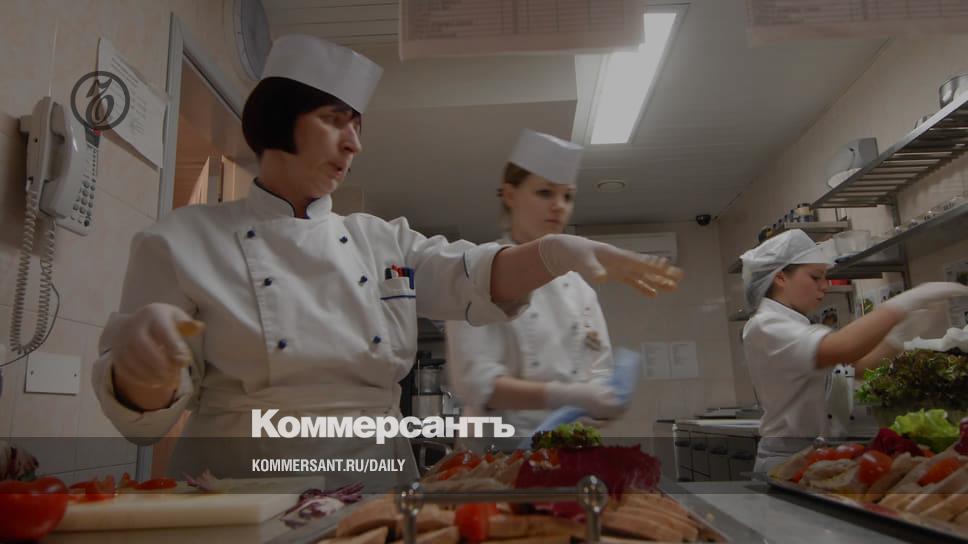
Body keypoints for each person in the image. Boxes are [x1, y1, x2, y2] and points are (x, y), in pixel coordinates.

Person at [91, 36, 682, 488]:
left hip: (376, 482)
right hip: (241, 488)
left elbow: (469, 275)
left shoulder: (381, 240)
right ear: (277, 119)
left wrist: (555, 253)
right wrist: (143, 376)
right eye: (334, 120)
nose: (354, 143)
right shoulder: (179, 242)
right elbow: (141, 419)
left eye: (357, 125)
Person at [445, 129, 679, 449]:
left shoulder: (580, 289)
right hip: (498, 451)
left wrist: (603, 400)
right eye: (545, 193)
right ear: (510, 195)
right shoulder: (479, 270)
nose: (559, 206)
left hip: (569, 447)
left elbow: (598, 370)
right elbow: (475, 383)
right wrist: (566, 396)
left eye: (567, 196)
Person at [741, 229, 968, 472]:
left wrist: (898, 338)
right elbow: (844, 348)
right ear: (780, 278)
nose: (824, 286)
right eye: (815, 277)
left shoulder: (795, 324)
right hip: (786, 457)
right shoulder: (766, 324)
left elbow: (858, 368)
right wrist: (903, 303)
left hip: (811, 452)